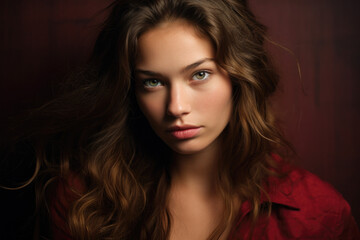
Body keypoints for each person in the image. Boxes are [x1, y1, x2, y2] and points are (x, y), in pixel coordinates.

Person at [5, 0, 359, 239]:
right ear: (131, 91)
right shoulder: (84, 201)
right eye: (153, 82)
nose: (175, 106)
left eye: (199, 75)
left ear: (239, 76)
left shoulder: (318, 215)